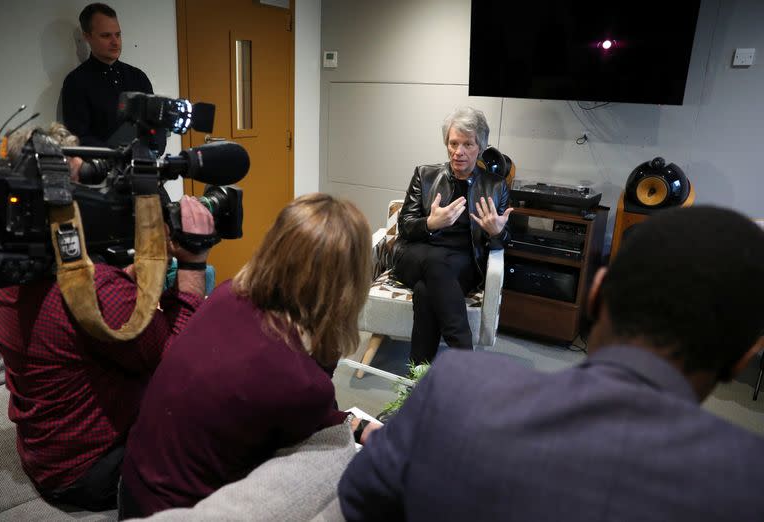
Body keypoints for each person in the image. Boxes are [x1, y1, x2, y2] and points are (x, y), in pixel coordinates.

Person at [338, 205, 764, 522]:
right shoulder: (747, 484)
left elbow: (358, 497)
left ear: (596, 294)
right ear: (743, 358)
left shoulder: (456, 384)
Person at [0, 127, 217, 511]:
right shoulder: (90, 292)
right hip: (93, 469)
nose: (88, 196)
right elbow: (181, 361)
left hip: (45, 452)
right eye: (77, 185)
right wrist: (194, 259)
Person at [118, 193, 372, 518]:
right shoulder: (301, 380)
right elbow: (301, 406)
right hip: (181, 512)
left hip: (132, 489)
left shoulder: (226, 294)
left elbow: (276, 403)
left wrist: (356, 424)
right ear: (348, 283)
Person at [392, 106, 512, 364]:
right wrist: (430, 223)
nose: (459, 151)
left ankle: (417, 377)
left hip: (462, 263)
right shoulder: (424, 175)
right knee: (435, 260)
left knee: (426, 292)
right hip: (415, 255)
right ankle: (464, 362)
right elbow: (405, 227)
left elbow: (502, 242)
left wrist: (495, 232)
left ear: (480, 147)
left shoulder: (495, 185)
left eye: (467, 144)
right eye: (453, 143)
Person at [62, 3, 153, 146]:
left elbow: (155, 125)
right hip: (100, 166)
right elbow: (78, 137)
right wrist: (118, 153)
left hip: (143, 165)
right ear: (87, 37)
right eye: (106, 36)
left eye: (118, 34)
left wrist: (153, 148)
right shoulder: (76, 82)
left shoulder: (138, 77)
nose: (115, 42)